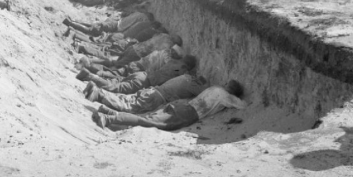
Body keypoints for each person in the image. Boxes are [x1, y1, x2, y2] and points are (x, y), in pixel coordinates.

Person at [92, 80, 246, 130]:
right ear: (232, 92)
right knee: (146, 121)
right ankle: (108, 118)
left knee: (146, 117)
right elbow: (242, 106)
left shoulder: (214, 88)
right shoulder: (225, 96)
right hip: (188, 114)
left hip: (182, 105)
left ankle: (107, 111)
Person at [87, 73, 208, 114]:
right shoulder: (193, 86)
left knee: (125, 98)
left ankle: (97, 88)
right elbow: (204, 94)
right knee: (129, 108)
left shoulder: (185, 76)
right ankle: (99, 94)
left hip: (151, 90)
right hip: (156, 97)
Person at [82, 53, 196, 95]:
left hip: (143, 74)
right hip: (145, 81)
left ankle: (90, 70)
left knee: (116, 80)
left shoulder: (172, 61)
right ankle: (91, 76)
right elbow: (183, 77)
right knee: (117, 88)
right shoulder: (182, 70)